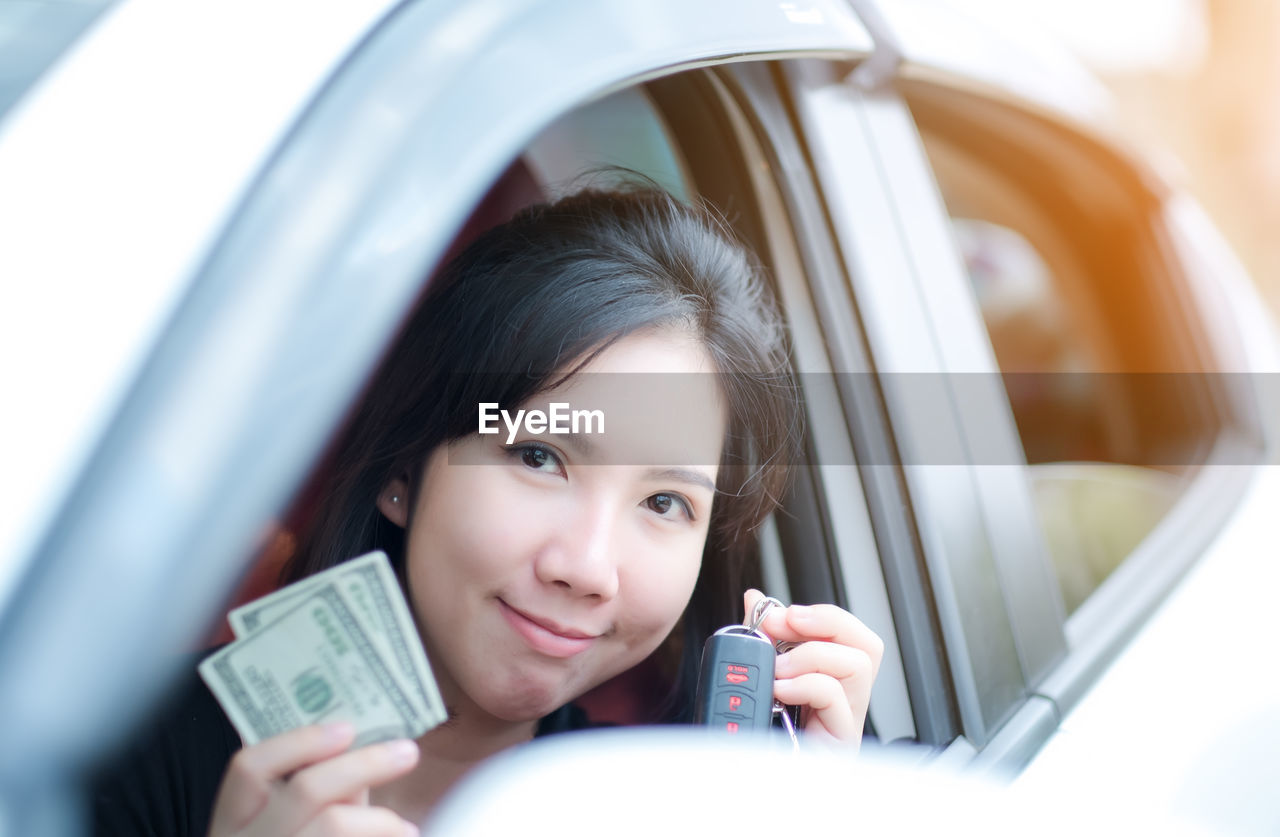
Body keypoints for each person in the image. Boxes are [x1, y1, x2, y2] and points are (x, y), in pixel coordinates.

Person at [90, 181, 884, 835]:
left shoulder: (660, 811)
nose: (586, 566)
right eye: (540, 456)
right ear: (403, 467)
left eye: (666, 501)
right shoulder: (102, 756)